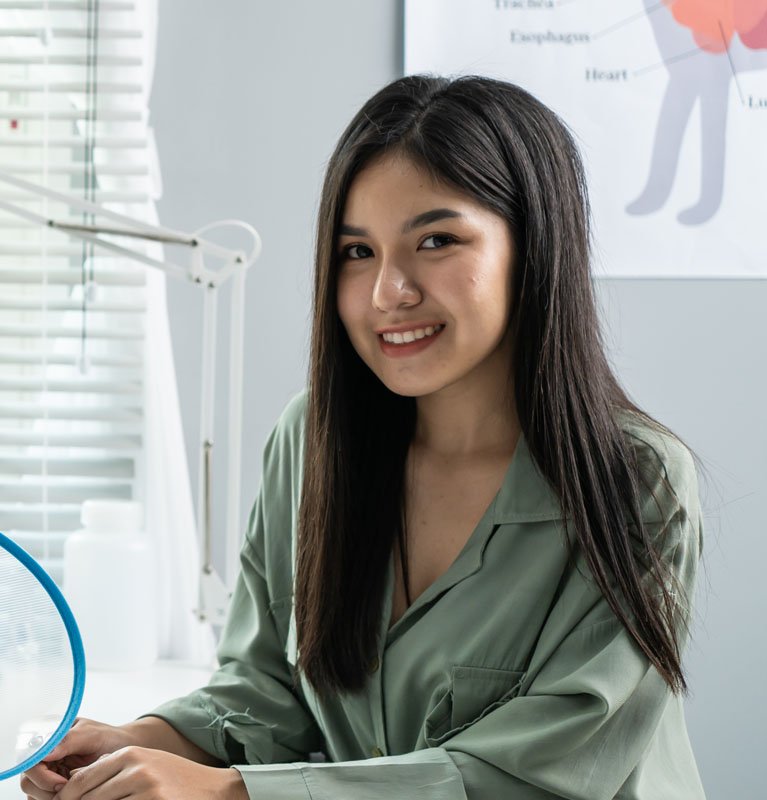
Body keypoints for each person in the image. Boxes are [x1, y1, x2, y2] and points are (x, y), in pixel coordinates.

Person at [21, 74, 707, 800]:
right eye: (357, 252)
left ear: (534, 247)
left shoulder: (636, 483)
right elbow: (270, 685)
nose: (388, 293)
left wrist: (231, 792)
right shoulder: (310, 441)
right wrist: (147, 740)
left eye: (436, 241)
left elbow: (537, 775)